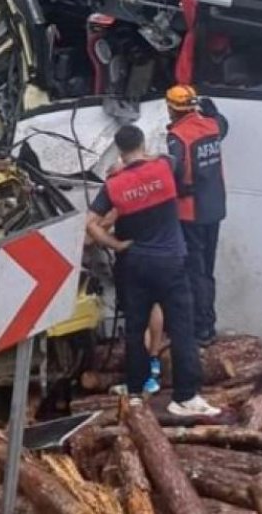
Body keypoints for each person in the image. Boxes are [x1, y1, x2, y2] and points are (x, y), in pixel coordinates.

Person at [85, 124, 220, 416]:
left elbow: (91, 224)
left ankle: (136, 391)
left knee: (134, 330)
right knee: (183, 329)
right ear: (142, 143)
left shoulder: (113, 186)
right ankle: (185, 397)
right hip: (172, 262)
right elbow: (167, 158)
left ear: (119, 150)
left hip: (135, 264)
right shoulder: (163, 167)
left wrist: (115, 245)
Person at [165, 84, 229, 345]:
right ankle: (206, 323)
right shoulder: (211, 126)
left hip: (190, 212)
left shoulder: (177, 137)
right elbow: (223, 124)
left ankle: (202, 328)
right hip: (214, 207)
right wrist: (215, 111)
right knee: (208, 269)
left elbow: (175, 171)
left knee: (195, 271)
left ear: (171, 108)